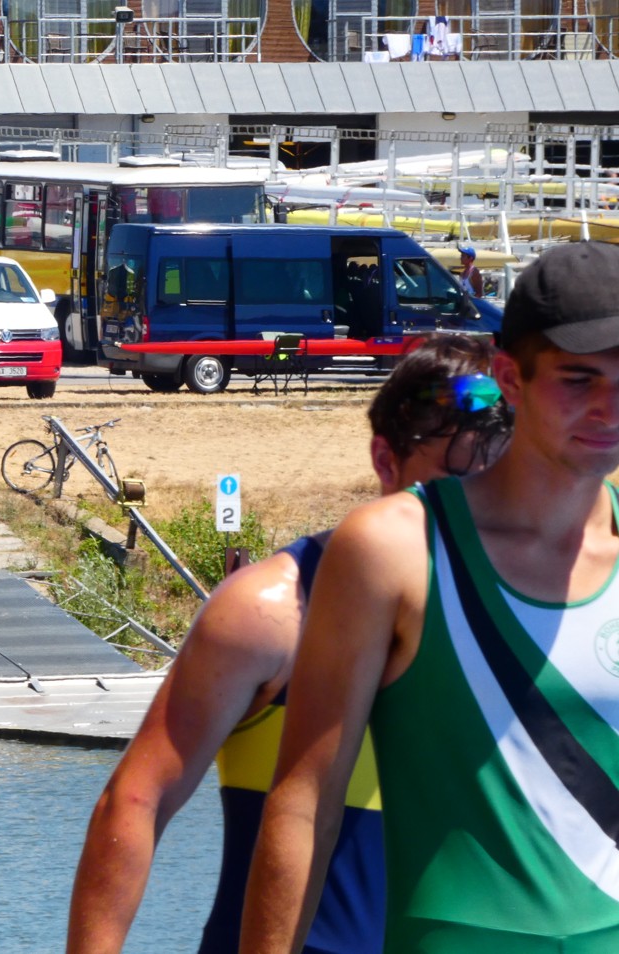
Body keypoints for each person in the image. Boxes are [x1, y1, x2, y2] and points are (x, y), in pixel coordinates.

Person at [67, 333, 513, 954]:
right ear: (386, 462)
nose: (485, 511)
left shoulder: (546, 620)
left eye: (506, 482)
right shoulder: (267, 611)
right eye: (459, 479)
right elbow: (135, 802)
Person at [241, 240, 619, 953]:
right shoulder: (392, 548)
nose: (609, 408)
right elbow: (305, 804)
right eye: (578, 379)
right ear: (508, 379)